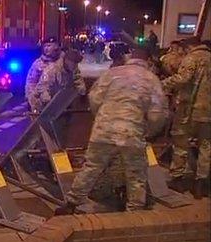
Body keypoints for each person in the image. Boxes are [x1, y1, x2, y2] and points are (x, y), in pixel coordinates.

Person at [56, 48, 168, 213]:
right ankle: (134, 210)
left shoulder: (112, 73)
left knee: (92, 167)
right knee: (135, 173)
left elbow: (94, 98)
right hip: (131, 133)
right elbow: (157, 113)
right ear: (148, 62)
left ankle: (71, 203)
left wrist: (102, 118)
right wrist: (149, 131)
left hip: (103, 130)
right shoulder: (151, 80)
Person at [162, 37, 211, 198]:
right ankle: (201, 183)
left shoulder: (191, 58)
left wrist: (162, 84)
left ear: (190, 46)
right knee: (206, 146)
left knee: (181, 143)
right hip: (208, 112)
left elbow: (183, 79)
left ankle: (178, 179)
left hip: (189, 110)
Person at [25, 37, 61, 111]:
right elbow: (31, 82)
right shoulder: (38, 64)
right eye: (45, 46)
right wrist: (32, 99)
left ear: (56, 47)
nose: (46, 48)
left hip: (59, 102)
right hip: (42, 104)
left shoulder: (62, 62)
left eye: (49, 46)